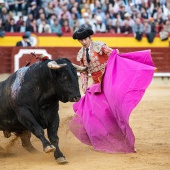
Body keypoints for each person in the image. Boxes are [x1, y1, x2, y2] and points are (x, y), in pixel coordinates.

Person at [69, 27, 156, 154]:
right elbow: (84, 72)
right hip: (97, 86)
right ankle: (101, 139)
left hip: (109, 82)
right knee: (93, 113)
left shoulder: (100, 46)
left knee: (116, 113)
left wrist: (112, 71)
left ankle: (125, 141)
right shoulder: (81, 54)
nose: (83, 42)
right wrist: (84, 86)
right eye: (80, 40)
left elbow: (115, 55)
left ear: (89, 37)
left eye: (84, 39)